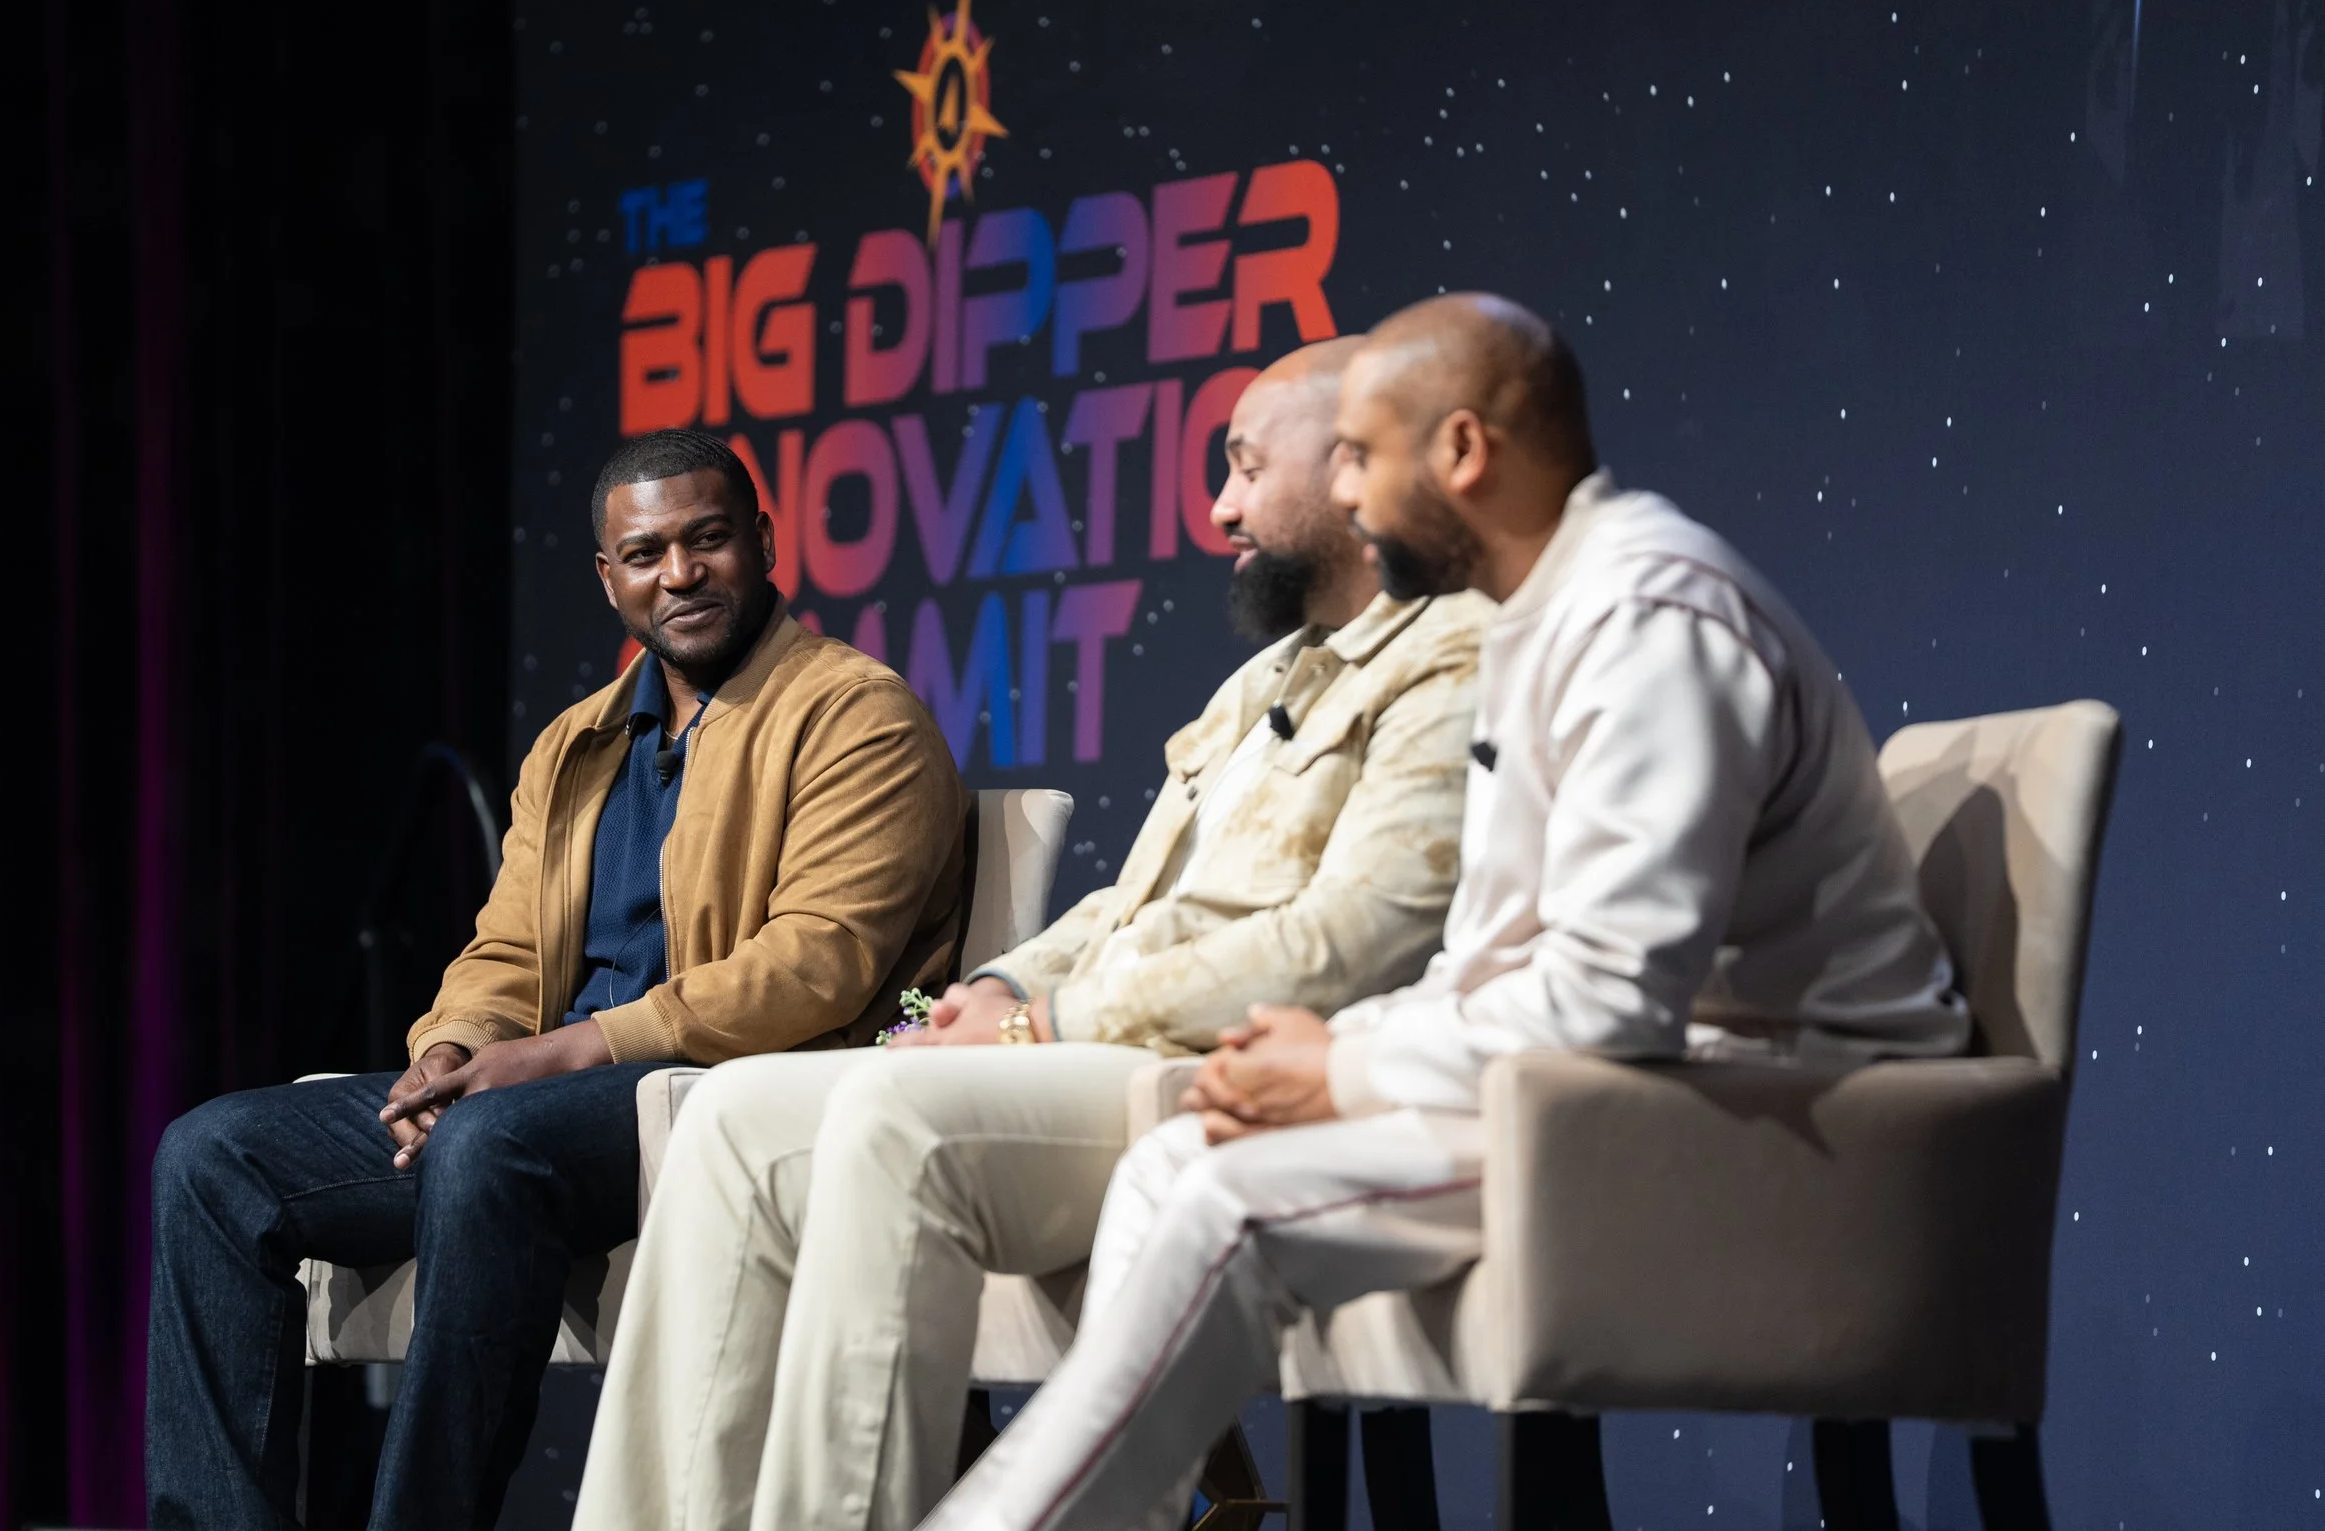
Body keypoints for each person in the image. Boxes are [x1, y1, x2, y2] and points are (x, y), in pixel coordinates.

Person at [918, 293, 1972, 1531]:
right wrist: (1324, 1054)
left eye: (1359, 456)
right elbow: (1502, 960)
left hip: (1770, 1118)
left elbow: (1608, 1000)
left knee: (1220, 1202)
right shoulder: (1544, 617)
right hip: (1623, 1090)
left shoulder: (1646, 617)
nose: (1346, 501)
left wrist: (1344, 1066)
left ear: (1463, 451)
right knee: (1171, 1164)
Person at [568, 337, 1491, 1531]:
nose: (1217, 506)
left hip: (1227, 1067)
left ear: (1356, 464)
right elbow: (1130, 903)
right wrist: (997, 984)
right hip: (1098, 1039)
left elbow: (1364, 933)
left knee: (893, 1121)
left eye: (1246, 467)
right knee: (727, 1116)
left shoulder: (1459, 655)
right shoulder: (1268, 674)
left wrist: (1049, 1019)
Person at [144, 431, 968, 1531]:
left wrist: (558, 1053)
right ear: (608, 576)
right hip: (546, 1107)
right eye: (645, 553)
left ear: (763, 541)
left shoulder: (857, 715)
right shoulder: (576, 743)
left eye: (707, 539)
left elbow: (816, 964)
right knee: (213, 1154)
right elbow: (507, 950)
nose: (679, 574)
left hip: (736, 1098)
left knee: (490, 1140)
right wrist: (451, 1047)